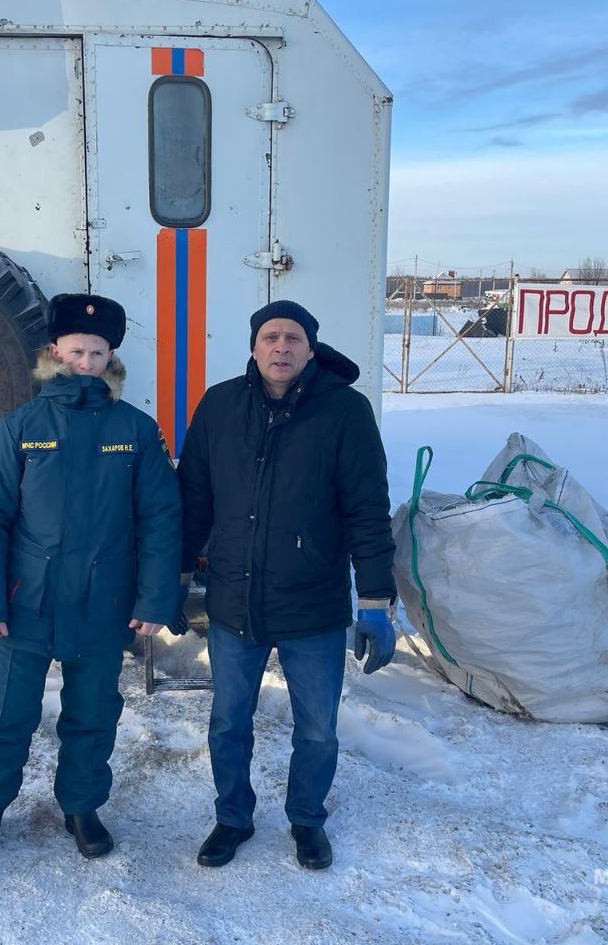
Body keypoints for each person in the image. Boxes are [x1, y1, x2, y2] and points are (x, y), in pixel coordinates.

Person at [0, 292, 181, 867]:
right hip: (24, 603)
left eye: (97, 351)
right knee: (4, 713)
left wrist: (156, 596)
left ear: (111, 357)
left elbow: (160, 518)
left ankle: (82, 807)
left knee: (94, 714)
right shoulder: (22, 427)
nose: (85, 361)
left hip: (103, 605)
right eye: (76, 350)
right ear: (55, 351)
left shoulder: (134, 429)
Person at [175, 300, 398, 870]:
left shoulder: (345, 411)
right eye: (270, 337)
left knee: (318, 729)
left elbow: (367, 511)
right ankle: (232, 818)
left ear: (311, 348)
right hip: (234, 599)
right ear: (253, 346)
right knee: (228, 721)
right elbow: (193, 499)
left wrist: (374, 600)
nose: (281, 347)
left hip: (314, 605)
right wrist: (171, 576)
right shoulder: (220, 405)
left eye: (293, 338)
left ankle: (307, 820)